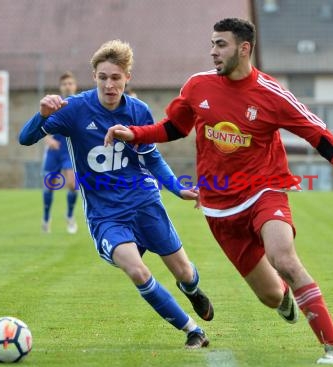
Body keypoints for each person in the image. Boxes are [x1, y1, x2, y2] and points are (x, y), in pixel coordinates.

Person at [104, 18, 333, 364]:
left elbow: (320, 137)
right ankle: (283, 297)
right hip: (219, 209)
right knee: (270, 296)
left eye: (220, 45)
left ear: (244, 48)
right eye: (211, 44)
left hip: (265, 191)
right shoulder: (197, 87)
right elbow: (174, 127)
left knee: (284, 258)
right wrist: (136, 134)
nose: (213, 52)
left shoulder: (272, 94)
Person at [19, 40, 213, 349]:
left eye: (116, 78)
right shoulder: (74, 110)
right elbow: (25, 138)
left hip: (144, 202)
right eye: (102, 77)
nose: (109, 84)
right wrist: (41, 115)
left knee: (185, 272)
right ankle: (193, 331)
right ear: (94, 76)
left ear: (127, 79)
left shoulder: (138, 110)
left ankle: (192, 290)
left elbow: (151, 158)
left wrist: (177, 189)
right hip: (106, 214)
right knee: (137, 270)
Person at [41, 71, 79, 234]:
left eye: (70, 83)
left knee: (72, 184)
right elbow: (42, 126)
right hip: (55, 151)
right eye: (64, 84)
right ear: (60, 87)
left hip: (70, 150)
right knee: (49, 186)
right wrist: (47, 139)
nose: (67, 86)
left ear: (75, 86)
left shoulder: (80, 104)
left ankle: (70, 216)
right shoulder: (54, 104)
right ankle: (46, 218)